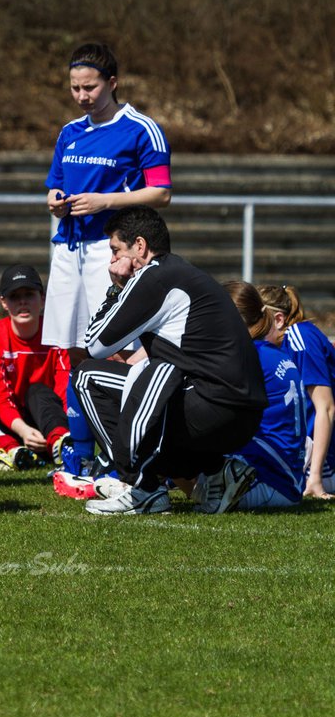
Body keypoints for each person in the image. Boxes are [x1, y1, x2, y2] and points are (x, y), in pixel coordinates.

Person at [71, 207, 267, 515]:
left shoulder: (155, 276)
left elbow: (95, 344)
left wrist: (115, 288)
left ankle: (141, 486)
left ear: (140, 246)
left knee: (87, 376)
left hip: (212, 407)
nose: (111, 261)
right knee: (157, 377)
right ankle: (218, 471)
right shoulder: (183, 273)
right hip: (243, 414)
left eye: (115, 250)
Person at [43, 42, 173, 478]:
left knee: (119, 348)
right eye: (75, 88)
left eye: (90, 87)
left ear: (112, 83)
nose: (82, 96)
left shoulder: (140, 129)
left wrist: (106, 201)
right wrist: (55, 201)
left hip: (111, 250)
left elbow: (162, 192)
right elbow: (54, 184)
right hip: (68, 247)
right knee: (75, 350)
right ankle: (79, 451)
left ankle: (124, 445)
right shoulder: (69, 132)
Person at [0, 264, 72, 477]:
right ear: (4, 302)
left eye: (29, 294)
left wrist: (61, 427)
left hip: (44, 421)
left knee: (38, 391)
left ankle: (60, 444)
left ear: (42, 298)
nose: (22, 302)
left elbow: (63, 390)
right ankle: (10, 450)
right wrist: (22, 431)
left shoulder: (57, 335)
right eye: (14, 296)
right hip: (5, 421)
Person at [218, 281, 304, 510]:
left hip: (269, 480)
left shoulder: (249, 356)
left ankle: (147, 486)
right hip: (289, 478)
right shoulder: (271, 354)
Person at [258, 284, 335, 499]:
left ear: (278, 319)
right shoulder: (276, 344)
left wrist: (316, 478)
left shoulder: (300, 338)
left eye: (258, 320)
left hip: (324, 458)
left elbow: (326, 408)